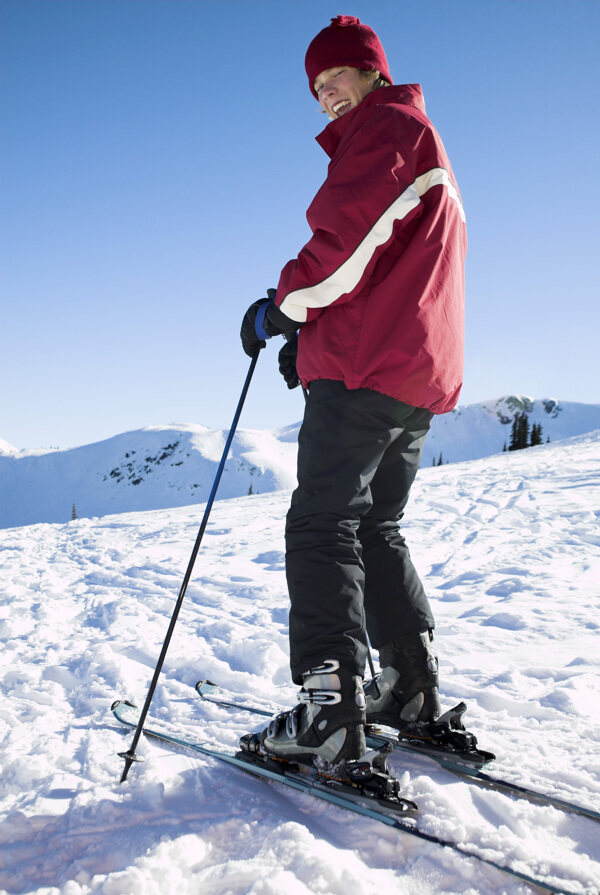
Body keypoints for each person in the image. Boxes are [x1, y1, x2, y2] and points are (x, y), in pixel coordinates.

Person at [240, 15, 467, 769]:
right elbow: (390, 265)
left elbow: (343, 248)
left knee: (321, 526)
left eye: (336, 76)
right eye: (315, 87)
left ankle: (328, 713)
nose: (326, 94)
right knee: (375, 527)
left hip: (368, 370)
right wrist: (314, 338)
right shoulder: (417, 139)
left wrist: (283, 307)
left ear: (373, 70)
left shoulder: (387, 132)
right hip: (411, 371)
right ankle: (409, 686)